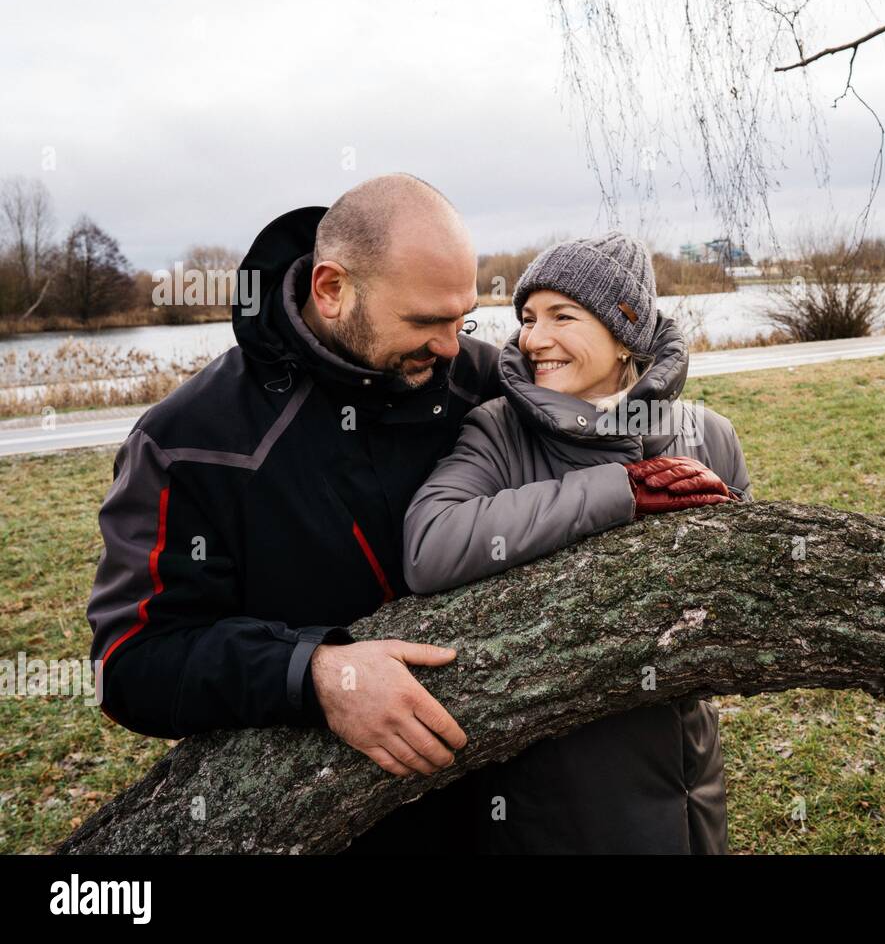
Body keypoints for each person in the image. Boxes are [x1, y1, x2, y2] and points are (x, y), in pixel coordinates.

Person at [87, 174, 497, 781]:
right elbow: (131, 664)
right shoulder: (188, 442)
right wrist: (314, 673)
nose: (450, 348)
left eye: (463, 319)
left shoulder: (480, 380)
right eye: (425, 322)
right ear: (330, 289)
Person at [396, 231, 752, 854]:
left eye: (564, 316)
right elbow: (430, 544)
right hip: (553, 799)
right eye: (529, 318)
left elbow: (752, 604)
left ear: (626, 337)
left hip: (688, 784)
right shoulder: (500, 430)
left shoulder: (707, 435)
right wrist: (620, 490)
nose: (534, 339)